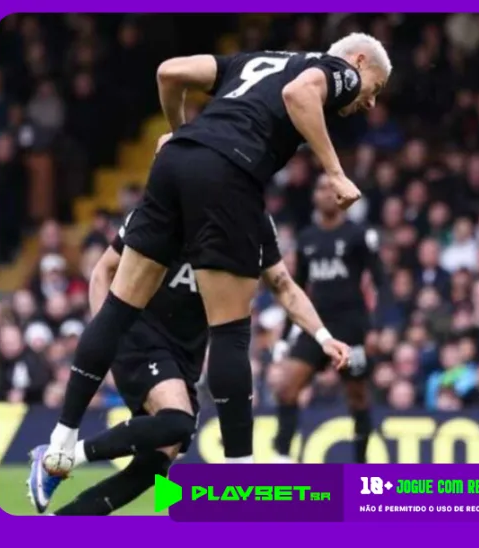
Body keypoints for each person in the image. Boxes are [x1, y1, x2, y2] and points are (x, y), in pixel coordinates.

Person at [39, 33, 392, 475]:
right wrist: (336, 173)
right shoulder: (340, 70)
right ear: (359, 62)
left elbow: (169, 72)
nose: (370, 101)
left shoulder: (253, 60)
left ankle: (62, 439)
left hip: (176, 163)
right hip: (230, 174)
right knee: (230, 332)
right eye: (374, 88)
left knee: (118, 311)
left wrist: (177, 130)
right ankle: (240, 473)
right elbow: (299, 93)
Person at [27, 213, 350, 514]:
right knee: (179, 422)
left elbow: (284, 286)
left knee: (153, 465)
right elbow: (103, 271)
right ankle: (61, 458)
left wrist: (323, 336)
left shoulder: (254, 219)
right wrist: (104, 340)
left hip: (186, 354)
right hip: (140, 332)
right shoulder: (168, 200)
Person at [270, 175, 385, 463]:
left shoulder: (358, 235)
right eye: (321, 188)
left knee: (357, 396)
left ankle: (361, 463)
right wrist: (286, 336)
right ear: (314, 196)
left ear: (341, 197)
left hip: (351, 327)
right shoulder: (307, 238)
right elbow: (295, 289)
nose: (326, 193)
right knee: (286, 389)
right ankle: (283, 459)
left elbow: (379, 281)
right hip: (317, 327)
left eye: (332, 188)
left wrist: (375, 327)